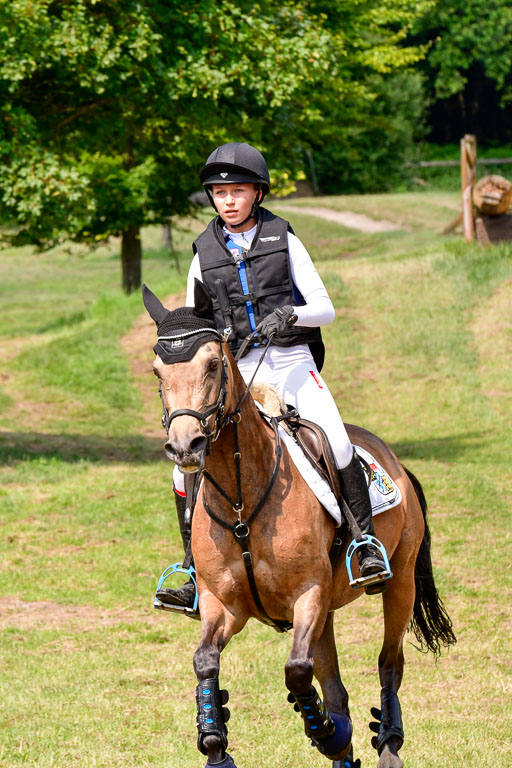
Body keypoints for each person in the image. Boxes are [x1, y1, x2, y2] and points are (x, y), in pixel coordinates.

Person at [157, 142, 389, 611]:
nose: (228, 200)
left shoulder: (284, 239)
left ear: (257, 194)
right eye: (219, 193)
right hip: (235, 371)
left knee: (337, 441)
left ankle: (364, 543)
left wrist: (290, 314)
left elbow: (326, 309)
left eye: (238, 191)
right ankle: (188, 566)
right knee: (189, 457)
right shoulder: (202, 253)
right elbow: (196, 322)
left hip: (290, 362)